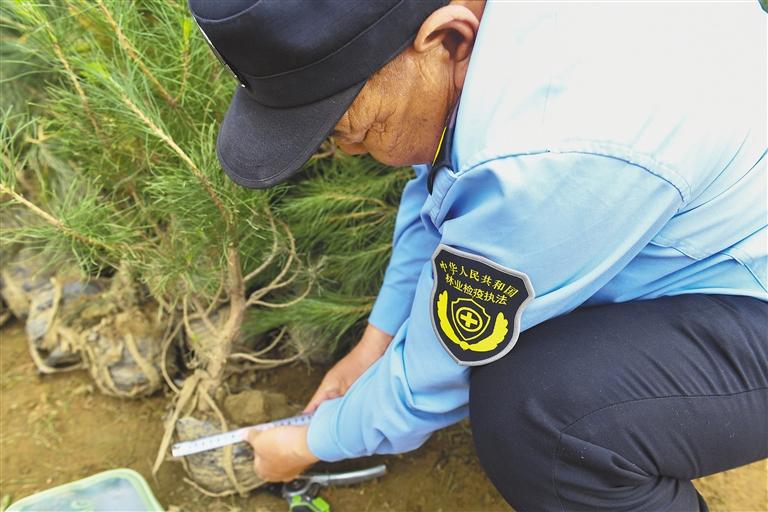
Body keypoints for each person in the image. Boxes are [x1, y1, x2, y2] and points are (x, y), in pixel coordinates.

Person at [188, 1, 767, 509]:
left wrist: (304, 444)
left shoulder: (543, 156)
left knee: (540, 417)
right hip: (719, 207)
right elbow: (440, 192)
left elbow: (437, 374)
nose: (348, 151)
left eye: (350, 127)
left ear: (448, 39)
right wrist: (373, 346)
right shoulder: (481, 47)